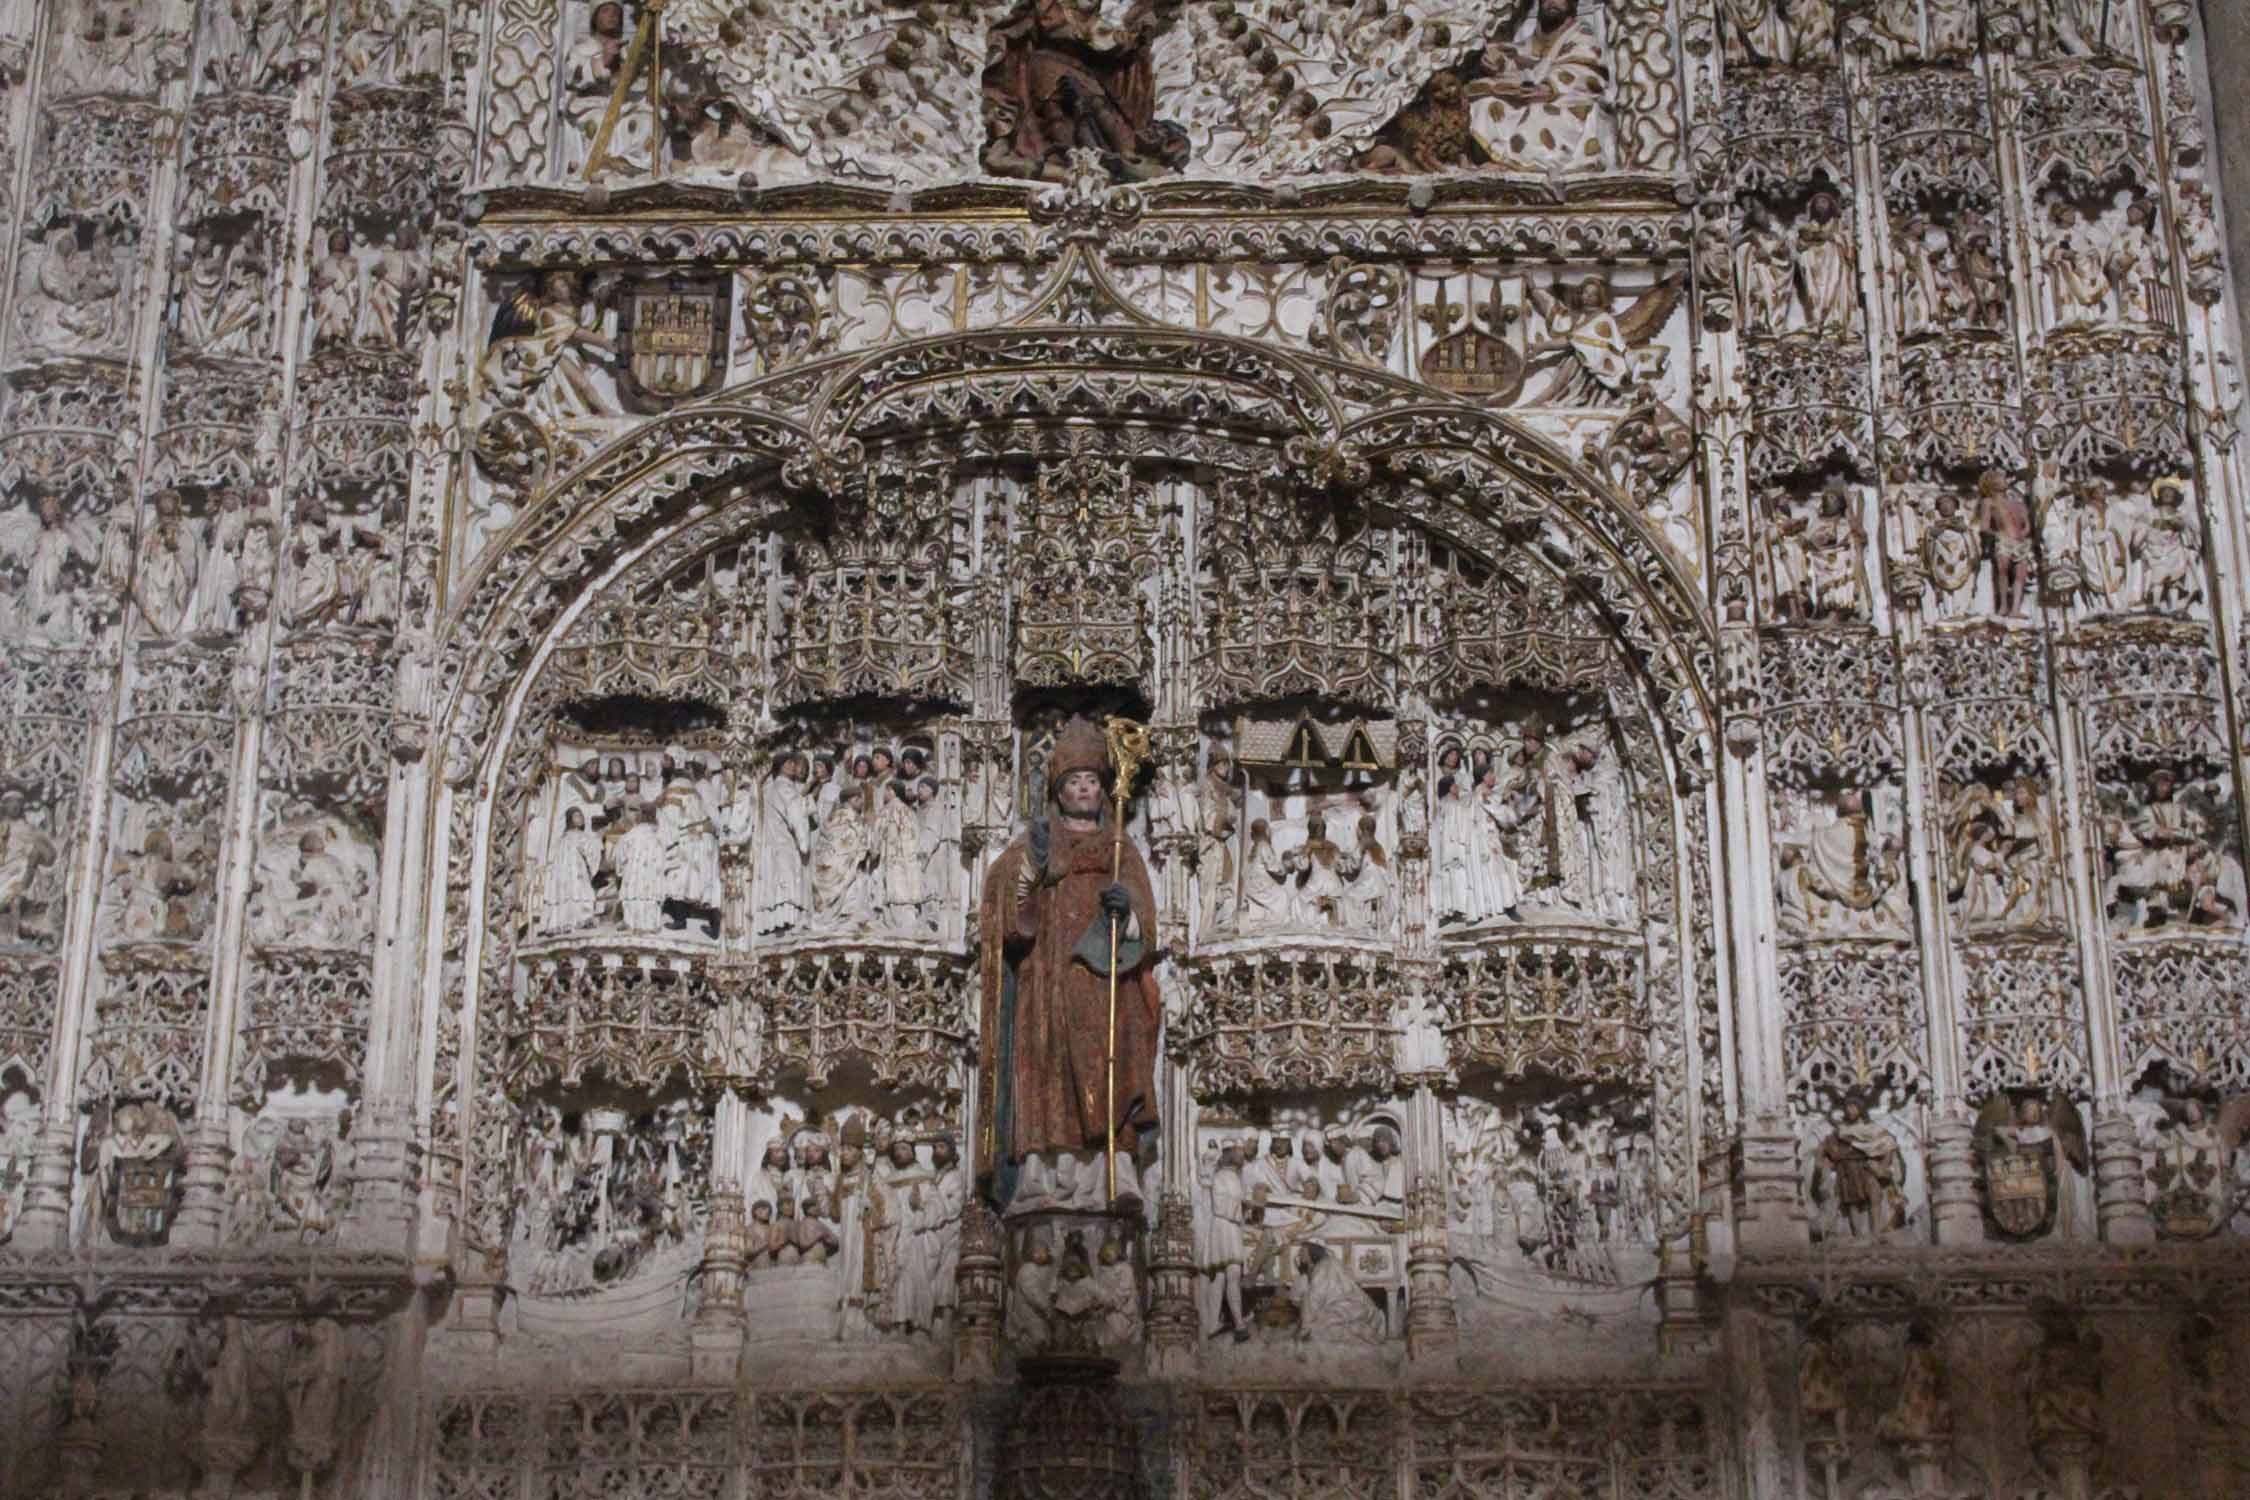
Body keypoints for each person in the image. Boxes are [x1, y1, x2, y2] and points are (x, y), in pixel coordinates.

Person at [976, 718, 1161, 1209]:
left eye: (1092, 781)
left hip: (1103, 979)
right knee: (1044, 1066)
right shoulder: (1036, 843)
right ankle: (1039, 1173)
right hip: (1048, 976)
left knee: (1112, 1061)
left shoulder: (1122, 850)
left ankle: (1114, 1171)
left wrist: (1129, 914)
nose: (1084, 789)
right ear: (1057, 792)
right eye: (1074, 781)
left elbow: (1147, 920)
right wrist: (1024, 887)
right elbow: (1003, 896)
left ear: (1104, 790)